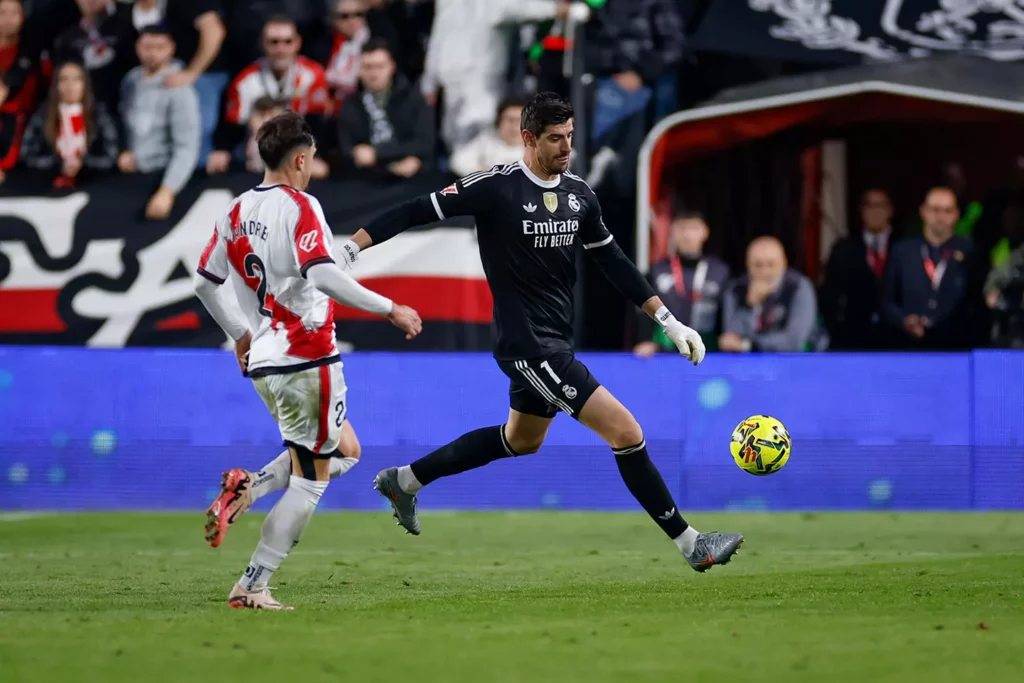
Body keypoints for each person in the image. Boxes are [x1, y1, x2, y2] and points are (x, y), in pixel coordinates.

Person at [340, 93, 743, 572]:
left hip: (555, 340)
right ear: (527, 138)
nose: (566, 147)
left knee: (521, 440)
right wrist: (351, 248)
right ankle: (692, 544)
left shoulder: (579, 195)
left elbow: (613, 262)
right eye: (555, 138)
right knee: (626, 432)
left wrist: (668, 320)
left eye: (570, 136)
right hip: (528, 346)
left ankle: (404, 481)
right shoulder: (495, 187)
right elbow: (414, 210)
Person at [193, 111, 423, 610]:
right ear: (300, 159)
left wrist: (239, 333)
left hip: (265, 360)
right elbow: (319, 275)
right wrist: (390, 308)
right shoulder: (301, 205)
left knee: (345, 450)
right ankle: (252, 584)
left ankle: (247, 490)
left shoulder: (233, 210)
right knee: (311, 480)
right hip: (307, 357)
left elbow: (203, 283)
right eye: (312, 160)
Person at [118, 25, 201, 220]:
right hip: (132, 177)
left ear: (171, 48)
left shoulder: (179, 88)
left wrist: (167, 190)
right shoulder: (131, 80)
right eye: (147, 47)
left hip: (161, 177)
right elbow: (125, 124)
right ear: (137, 47)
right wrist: (125, 150)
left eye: (159, 47)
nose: (152, 53)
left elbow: (187, 147)